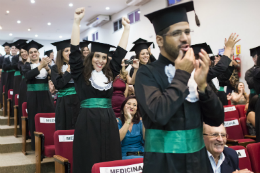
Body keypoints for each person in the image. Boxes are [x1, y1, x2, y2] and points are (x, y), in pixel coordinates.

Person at [135, 1, 226, 172]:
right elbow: (159, 114)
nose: (185, 38)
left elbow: (216, 119)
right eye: (177, 33)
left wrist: (203, 84)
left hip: (198, 162)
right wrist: (182, 75)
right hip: (163, 164)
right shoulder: (146, 73)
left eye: (187, 31)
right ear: (160, 40)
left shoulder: (195, 70)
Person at [70, 8, 131, 173]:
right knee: (89, 155)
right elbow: (74, 53)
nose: (101, 60)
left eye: (104, 57)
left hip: (108, 119)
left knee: (109, 154)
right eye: (97, 56)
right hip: (87, 120)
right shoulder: (80, 73)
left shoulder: (109, 75)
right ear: (91, 57)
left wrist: (126, 29)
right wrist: (77, 23)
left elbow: (119, 54)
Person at [22, 40, 55, 150]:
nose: (33, 54)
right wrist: (41, 65)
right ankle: (36, 146)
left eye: (35, 51)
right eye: (31, 52)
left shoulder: (45, 64)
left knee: (48, 118)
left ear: (39, 53)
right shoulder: (26, 65)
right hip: (33, 96)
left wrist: (47, 68)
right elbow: (28, 75)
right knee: (34, 120)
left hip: (46, 96)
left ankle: (49, 143)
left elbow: (53, 76)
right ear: (28, 54)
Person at [51, 39, 80, 130]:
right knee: (64, 126)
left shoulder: (79, 67)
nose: (69, 53)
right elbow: (59, 84)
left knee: (78, 127)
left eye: (71, 50)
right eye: (66, 51)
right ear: (61, 53)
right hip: (63, 102)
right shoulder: (55, 68)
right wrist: (68, 70)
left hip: (78, 101)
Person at [17, 43, 29, 134]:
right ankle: (24, 130)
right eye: (22, 52)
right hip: (24, 86)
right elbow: (23, 71)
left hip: (33, 87)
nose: (24, 53)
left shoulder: (38, 61)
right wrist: (28, 61)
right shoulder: (20, 63)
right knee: (24, 107)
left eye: (25, 51)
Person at [0, 42, 11, 108]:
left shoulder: (13, 57)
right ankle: (3, 104)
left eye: (8, 48)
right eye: (5, 48)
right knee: (3, 88)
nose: (6, 49)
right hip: (4, 74)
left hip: (10, 74)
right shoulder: (2, 58)